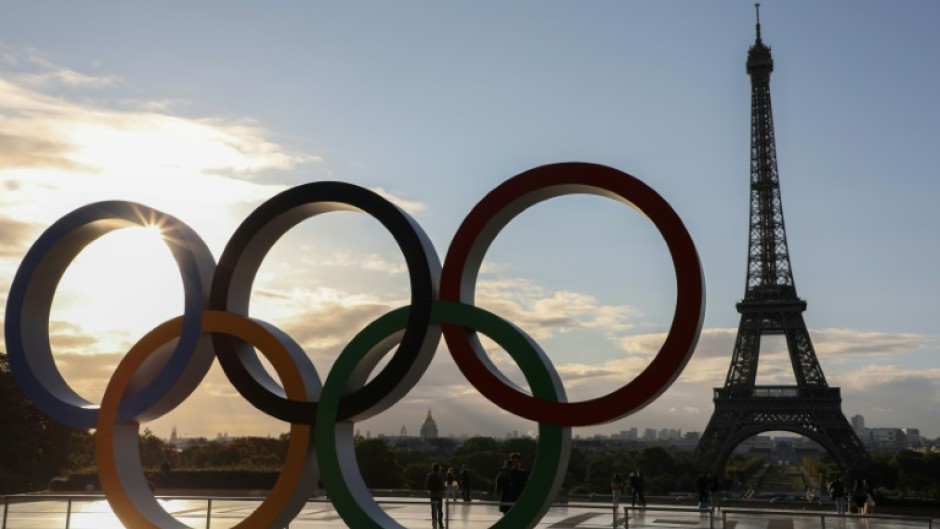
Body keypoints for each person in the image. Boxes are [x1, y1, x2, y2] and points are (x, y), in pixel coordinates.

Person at [425, 463, 445, 527]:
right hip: (439, 494)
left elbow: (427, 485)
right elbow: (443, 485)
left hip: (433, 494)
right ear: (438, 469)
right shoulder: (440, 475)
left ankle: (434, 522)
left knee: (433, 509)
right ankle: (440, 523)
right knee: (440, 509)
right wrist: (441, 491)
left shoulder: (430, 475)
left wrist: (431, 490)